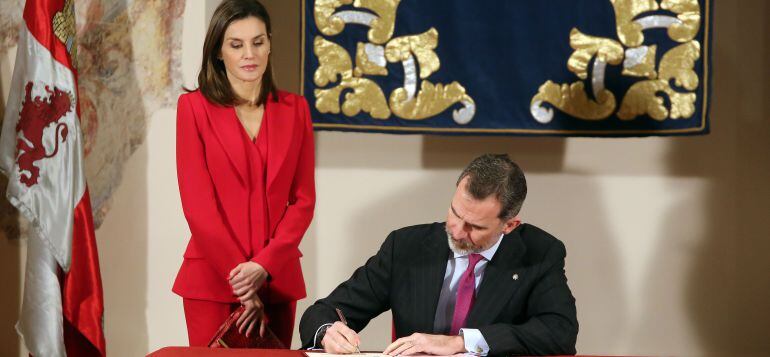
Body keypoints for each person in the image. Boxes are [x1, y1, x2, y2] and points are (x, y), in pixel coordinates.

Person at [299, 154, 577, 356]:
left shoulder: (540, 253)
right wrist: (327, 332)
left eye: (475, 226)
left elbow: (559, 333)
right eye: (455, 213)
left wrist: (462, 342)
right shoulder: (406, 246)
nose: (456, 231)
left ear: (509, 225)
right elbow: (323, 311)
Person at [173, 0, 315, 348]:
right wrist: (242, 281)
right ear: (219, 52)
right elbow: (198, 207)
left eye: (258, 41)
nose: (249, 54)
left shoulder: (296, 110)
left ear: (269, 44)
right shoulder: (193, 109)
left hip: (276, 278)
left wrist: (263, 266)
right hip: (212, 280)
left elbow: (303, 201)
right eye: (236, 45)